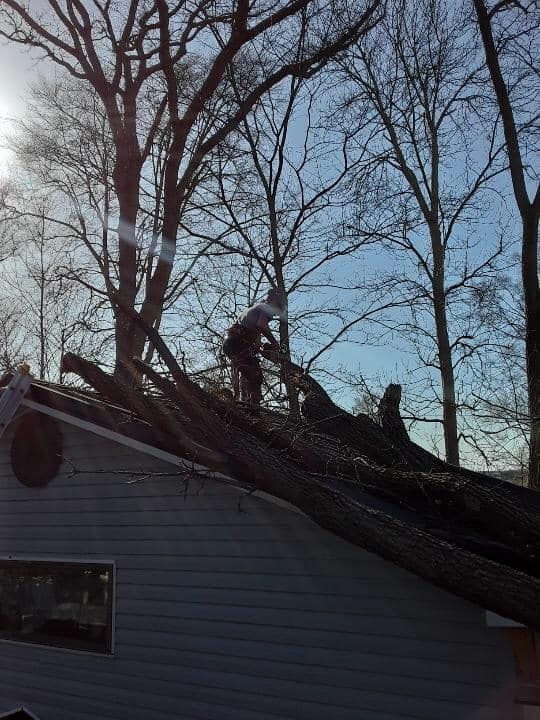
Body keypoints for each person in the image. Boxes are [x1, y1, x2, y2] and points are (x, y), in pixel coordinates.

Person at [222, 289, 285, 407]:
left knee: (248, 375)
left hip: (231, 345)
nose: (275, 314)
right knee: (256, 377)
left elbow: (256, 342)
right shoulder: (266, 308)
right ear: (274, 303)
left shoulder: (255, 309)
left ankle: (245, 405)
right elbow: (262, 325)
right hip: (237, 344)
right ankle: (253, 411)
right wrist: (274, 343)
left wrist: (264, 348)